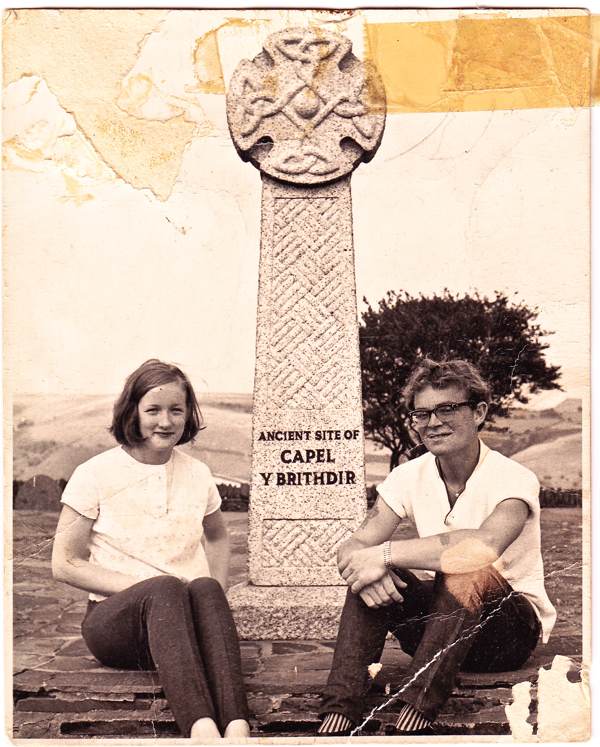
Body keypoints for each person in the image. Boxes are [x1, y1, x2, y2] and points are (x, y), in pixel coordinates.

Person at [318, 358, 556, 736]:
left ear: (479, 412)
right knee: (371, 572)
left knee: (466, 566)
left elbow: (484, 545)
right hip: (438, 631)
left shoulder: (513, 477)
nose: (433, 422)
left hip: (505, 634)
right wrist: (370, 566)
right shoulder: (407, 476)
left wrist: (382, 555)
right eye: (422, 413)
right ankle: (340, 708)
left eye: (447, 409)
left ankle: (417, 708)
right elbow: (355, 546)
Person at [52, 359, 251, 740]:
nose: (166, 421)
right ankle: (202, 731)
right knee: (165, 586)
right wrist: (149, 588)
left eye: (176, 410)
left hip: (181, 622)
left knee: (206, 587)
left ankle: (237, 728)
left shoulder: (198, 473)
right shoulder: (94, 473)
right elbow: (65, 563)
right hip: (114, 625)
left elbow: (217, 536)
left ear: (188, 414)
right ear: (132, 411)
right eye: (153, 410)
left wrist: (214, 596)